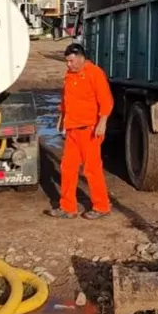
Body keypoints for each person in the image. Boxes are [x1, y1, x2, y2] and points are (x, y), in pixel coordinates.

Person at [48, 42, 114, 220]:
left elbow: (106, 101)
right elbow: (66, 98)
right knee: (68, 167)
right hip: (72, 129)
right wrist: (61, 118)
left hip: (89, 130)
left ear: (80, 57)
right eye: (67, 62)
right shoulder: (70, 75)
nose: (68, 65)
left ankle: (102, 206)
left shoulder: (95, 73)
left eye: (70, 61)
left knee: (92, 169)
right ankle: (68, 207)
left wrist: (102, 122)